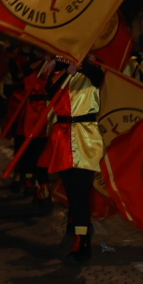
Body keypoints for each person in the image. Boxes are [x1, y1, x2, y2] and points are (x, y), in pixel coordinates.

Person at [42, 56, 103, 261]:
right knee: (71, 190)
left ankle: (82, 241)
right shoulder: (57, 73)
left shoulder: (92, 68)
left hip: (86, 136)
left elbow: (98, 76)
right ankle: (77, 221)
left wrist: (81, 65)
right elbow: (51, 92)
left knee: (80, 190)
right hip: (62, 136)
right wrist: (65, 70)